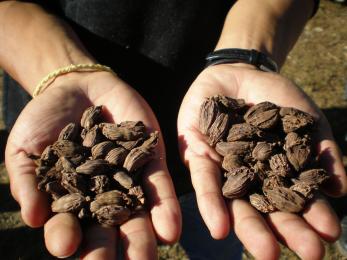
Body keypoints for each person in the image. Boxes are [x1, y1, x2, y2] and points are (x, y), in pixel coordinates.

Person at [1, 0, 346, 259]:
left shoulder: (238, 144)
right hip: (72, 108)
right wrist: (62, 73)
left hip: (205, 164)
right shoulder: (86, 151)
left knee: (218, 239)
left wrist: (245, 53)